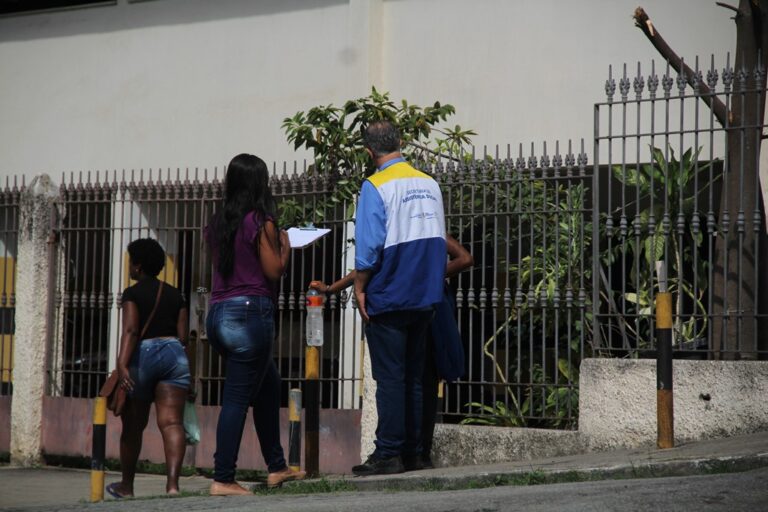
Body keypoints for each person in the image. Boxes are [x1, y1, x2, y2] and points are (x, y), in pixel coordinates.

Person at [309, 236, 472, 469]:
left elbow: (465, 258)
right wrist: (331, 288)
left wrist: (429, 276)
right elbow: (368, 267)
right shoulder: (406, 230)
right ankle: (415, 454)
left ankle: (408, 451)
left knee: (413, 381)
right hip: (419, 307)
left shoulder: (429, 230)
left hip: (420, 311)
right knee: (412, 382)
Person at [204, 153, 306, 496]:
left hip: (218, 313)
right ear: (260, 183)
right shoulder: (260, 221)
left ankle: (277, 467)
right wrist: (285, 249)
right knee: (236, 398)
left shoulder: (217, 222)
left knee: (268, 385)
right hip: (249, 313)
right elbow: (274, 270)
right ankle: (223, 477)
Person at [351, 120, 447, 476]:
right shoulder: (430, 183)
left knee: (390, 379)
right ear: (402, 143)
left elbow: (369, 250)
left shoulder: (376, 186)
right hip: (425, 295)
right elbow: (436, 237)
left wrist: (360, 287)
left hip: (390, 293)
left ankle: (388, 452)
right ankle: (416, 453)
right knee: (416, 378)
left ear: (369, 151)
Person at [107, 238, 191, 498]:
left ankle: (127, 486)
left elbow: (131, 330)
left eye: (131, 262)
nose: (130, 267)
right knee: (172, 423)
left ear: (138, 266)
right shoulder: (176, 294)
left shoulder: (132, 293)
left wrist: (122, 364)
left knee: (133, 426)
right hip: (174, 355)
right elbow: (183, 336)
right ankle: (173, 486)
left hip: (143, 355)